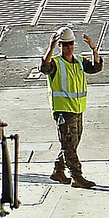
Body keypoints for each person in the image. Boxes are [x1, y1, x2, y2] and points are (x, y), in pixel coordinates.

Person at [40, 27, 103, 189]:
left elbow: (96, 68)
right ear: (60, 45)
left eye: (71, 44)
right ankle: (77, 176)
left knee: (72, 144)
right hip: (63, 111)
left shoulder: (80, 61)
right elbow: (44, 68)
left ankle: (58, 171)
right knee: (69, 144)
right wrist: (50, 48)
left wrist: (94, 49)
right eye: (65, 44)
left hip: (77, 108)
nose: (69, 47)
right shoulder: (55, 63)